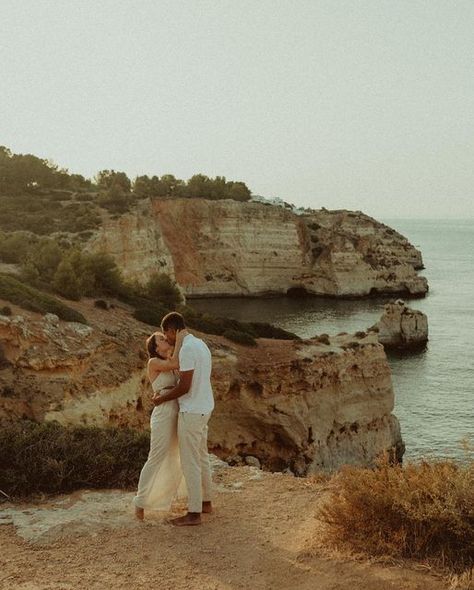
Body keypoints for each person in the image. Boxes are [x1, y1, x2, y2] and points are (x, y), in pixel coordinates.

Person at [153, 312, 214, 526]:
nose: (167, 339)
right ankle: (206, 502)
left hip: (192, 410)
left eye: (166, 335)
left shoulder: (188, 348)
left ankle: (194, 513)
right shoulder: (200, 344)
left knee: (190, 462)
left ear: (172, 330)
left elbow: (184, 386)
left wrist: (161, 399)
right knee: (202, 456)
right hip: (206, 407)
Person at [133, 329, 188, 520]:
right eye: (162, 340)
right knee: (156, 455)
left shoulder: (169, 364)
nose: (167, 340)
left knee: (176, 454)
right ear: (155, 348)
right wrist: (180, 338)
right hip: (163, 413)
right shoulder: (154, 362)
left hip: (176, 410)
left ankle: (171, 498)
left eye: (166, 338)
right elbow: (177, 362)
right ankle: (140, 503)